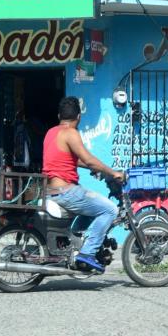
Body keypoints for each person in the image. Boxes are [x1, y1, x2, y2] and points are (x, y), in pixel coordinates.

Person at [43, 96, 125, 273]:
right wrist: (112, 172)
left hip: (51, 191)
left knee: (91, 210)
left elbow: (71, 159)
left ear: (59, 116)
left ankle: (76, 246)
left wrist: (93, 169)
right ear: (79, 117)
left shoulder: (51, 132)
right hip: (66, 192)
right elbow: (88, 159)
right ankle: (87, 253)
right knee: (110, 209)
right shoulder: (71, 133)